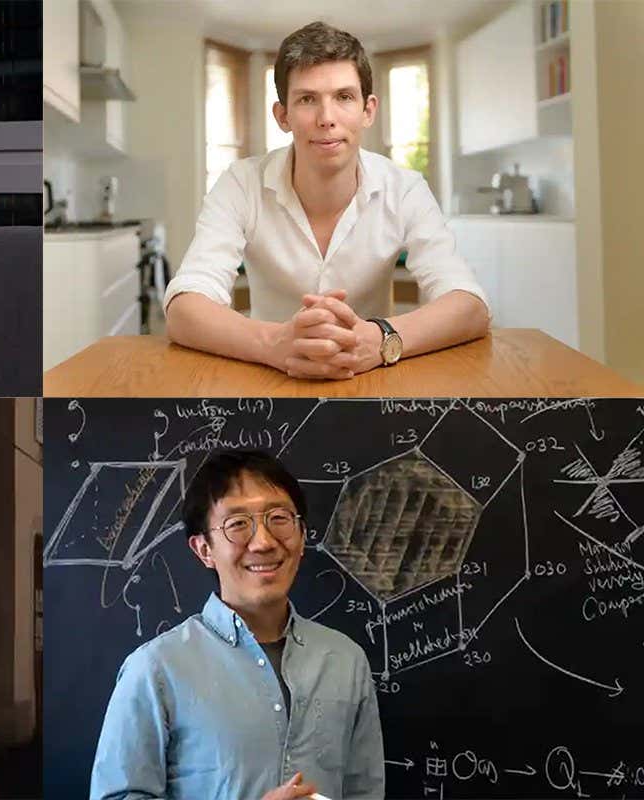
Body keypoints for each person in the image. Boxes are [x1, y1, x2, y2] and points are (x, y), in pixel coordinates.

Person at [164, 21, 490, 380]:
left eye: (344, 97)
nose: (327, 119)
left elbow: (469, 304)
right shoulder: (240, 183)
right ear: (283, 116)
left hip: (372, 379)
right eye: (307, 99)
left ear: (368, 110)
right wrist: (273, 343)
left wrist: (379, 338)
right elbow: (184, 307)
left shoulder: (405, 188)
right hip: (267, 379)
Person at [89, 449, 384, 800]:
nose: (264, 542)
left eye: (279, 518)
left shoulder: (346, 661)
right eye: (238, 524)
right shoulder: (156, 669)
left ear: (302, 535)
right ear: (204, 550)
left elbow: (364, 792)